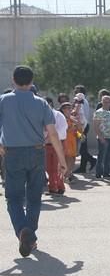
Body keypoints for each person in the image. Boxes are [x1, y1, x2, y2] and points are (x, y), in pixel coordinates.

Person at [0, 66, 67, 256]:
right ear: (31, 82)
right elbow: (53, 134)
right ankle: (30, 235)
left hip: (12, 153)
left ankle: (22, 230)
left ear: (13, 80)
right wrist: (62, 160)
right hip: (37, 152)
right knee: (34, 197)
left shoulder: (3, 101)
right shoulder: (41, 104)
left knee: (13, 197)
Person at [44, 97, 69, 195]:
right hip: (47, 145)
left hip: (58, 144)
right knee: (49, 168)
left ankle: (60, 187)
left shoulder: (58, 115)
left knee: (57, 167)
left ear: (50, 104)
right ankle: (52, 187)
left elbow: (62, 131)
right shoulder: (43, 115)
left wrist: (49, 136)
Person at [72, 86, 96, 174]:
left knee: (82, 148)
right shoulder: (83, 101)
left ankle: (92, 160)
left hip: (82, 127)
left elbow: (79, 114)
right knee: (83, 147)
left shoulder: (80, 102)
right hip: (83, 126)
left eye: (77, 91)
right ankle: (83, 167)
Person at [93, 95, 110, 179]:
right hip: (103, 138)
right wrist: (100, 137)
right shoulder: (99, 112)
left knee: (109, 156)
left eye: (109, 102)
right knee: (101, 156)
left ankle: (106, 172)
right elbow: (96, 126)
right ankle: (98, 173)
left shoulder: (109, 112)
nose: (107, 104)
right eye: (105, 102)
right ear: (102, 102)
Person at [60, 102, 82, 184]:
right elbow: (64, 130)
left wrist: (80, 134)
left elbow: (78, 131)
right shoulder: (61, 118)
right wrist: (72, 127)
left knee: (73, 159)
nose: (69, 110)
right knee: (68, 159)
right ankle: (66, 176)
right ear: (63, 110)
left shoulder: (73, 118)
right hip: (65, 141)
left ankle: (68, 174)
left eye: (70, 108)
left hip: (73, 141)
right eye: (67, 108)